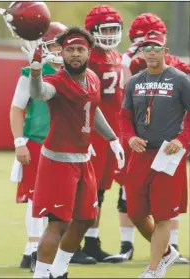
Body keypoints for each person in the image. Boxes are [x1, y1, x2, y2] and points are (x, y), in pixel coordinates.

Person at [28, 26, 125, 278]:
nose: (74, 54)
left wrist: (112, 138)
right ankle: (41, 274)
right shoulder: (57, 81)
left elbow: (93, 109)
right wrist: (36, 72)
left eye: (80, 49)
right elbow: (39, 93)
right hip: (58, 161)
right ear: (62, 53)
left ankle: (58, 271)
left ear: (89, 52)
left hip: (84, 159)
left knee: (84, 219)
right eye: (69, 49)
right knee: (57, 223)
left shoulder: (92, 76)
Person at [117, 13, 190, 263]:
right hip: (139, 148)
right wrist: (128, 137)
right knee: (134, 206)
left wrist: (183, 138)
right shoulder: (135, 77)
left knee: (164, 210)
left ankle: (161, 260)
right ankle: (154, 250)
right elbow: (124, 114)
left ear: (164, 48)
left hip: (170, 149)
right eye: (145, 46)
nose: (149, 51)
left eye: (155, 47)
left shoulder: (180, 76)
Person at [10, 22, 70, 272]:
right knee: (36, 198)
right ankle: (34, 249)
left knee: (61, 201)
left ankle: (40, 251)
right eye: (53, 43)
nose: (57, 49)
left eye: (61, 43)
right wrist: (19, 141)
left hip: (67, 145)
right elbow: (16, 108)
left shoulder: (76, 71)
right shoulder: (31, 73)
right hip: (37, 140)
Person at [81, 5, 131, 263]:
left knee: (99, 191)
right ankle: (70, 243)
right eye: (106, 29)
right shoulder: (86, 56)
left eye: (114, 29)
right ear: (92, 31)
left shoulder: (117, 55)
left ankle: (91, 241)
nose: (111, 34)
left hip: (112, 134)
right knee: (82, 190)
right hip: (91, 132)